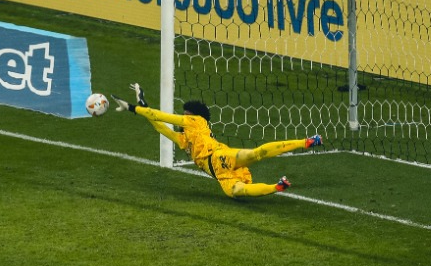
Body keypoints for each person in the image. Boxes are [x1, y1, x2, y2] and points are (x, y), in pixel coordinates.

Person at [111, 83, 323, 198]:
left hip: (220, 156)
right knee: (237, 192)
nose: (183, 118)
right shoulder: (184, 139)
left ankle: (305, 142)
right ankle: (277, 187)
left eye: (186, 114)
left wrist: (132, 108)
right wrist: (143, 103)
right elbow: (158, 124)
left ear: (193, 115)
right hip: (219, 175)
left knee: (254, 154)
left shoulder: (196, 122)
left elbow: (162, 117)